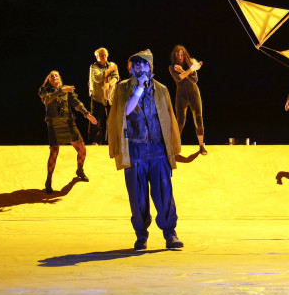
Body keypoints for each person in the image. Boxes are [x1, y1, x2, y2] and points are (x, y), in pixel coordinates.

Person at [108, 49, 183, 250]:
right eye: (135, 64)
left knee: (165, 194)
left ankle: (170, 233)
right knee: (138, 197)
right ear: (130, 68)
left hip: (158, 151)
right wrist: (139, 88)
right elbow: (124, 111)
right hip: (135, 151)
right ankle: (141, 235)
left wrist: (173, 147)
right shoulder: (123, 88)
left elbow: (169, 118)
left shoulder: (162, 89)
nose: (139, 67)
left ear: (150, 66)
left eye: (143, 64)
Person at [39, 71, 98, 194]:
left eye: (56, 75)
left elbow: (76, 103)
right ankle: (48, 180)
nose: (54, 76)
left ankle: (79, 170)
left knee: (82, 149)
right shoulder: (44, 90)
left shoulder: (66, 90)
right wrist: (61, 91)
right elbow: (47, 100)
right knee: (54, 152)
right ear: (49, 80)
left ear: (60, 78)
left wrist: (87, 114)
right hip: (54, 125)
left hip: (69, 124)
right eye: (51, 75)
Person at [168, 45, 206, 155]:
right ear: (174, 55)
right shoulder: (172, 67)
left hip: (193, 93)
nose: (180, 57)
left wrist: (184, 70)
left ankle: (201, 146)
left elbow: (194, 80)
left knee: (198, 118)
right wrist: (190, 70)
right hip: (181, 94)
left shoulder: (190, 63)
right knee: (180, 121)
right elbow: (179, 79)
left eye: (181, 54)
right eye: (178, 55)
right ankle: (175, 148)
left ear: (185, 55)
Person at [87, 47, 119, 146]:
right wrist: (110, 70)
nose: (104, 56)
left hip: (110, 97)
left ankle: (109, 142)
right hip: (98, 97)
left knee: (111, 120)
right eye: (101, 55)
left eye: (105, 54)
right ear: (97, 57)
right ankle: (94, 141)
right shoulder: (93, 67)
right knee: (96, 120)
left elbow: (116, 77)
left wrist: (109, 84)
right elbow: (98, 78)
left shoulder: (111, 65)